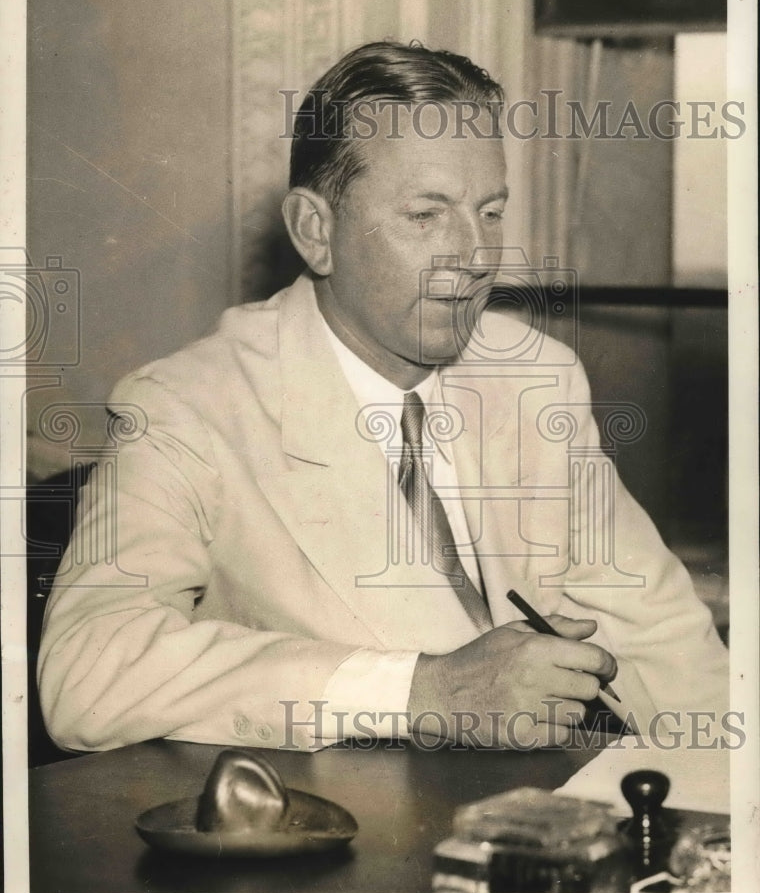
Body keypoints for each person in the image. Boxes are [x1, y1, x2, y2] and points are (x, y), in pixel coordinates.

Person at [38, 40, 728, 754]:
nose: (476, 255)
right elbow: (86, 676)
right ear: (316, 231)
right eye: (426, 216)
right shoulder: (185, 407)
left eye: (489, 213)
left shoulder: (533, 378)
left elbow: (665, 637)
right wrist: (420, 690)